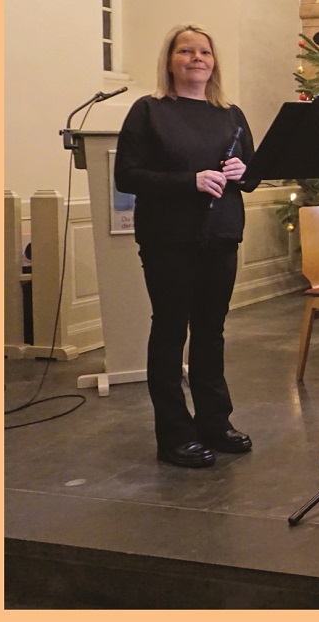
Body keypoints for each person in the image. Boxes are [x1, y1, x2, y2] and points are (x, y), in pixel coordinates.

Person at [115, 24, 258, 468]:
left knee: (211, 331)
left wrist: (240, 172)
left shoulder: (230, 114)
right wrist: (189, 182)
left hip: (221, 235)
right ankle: (175, 434)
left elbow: (253, 177)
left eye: (204, 52)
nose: (197, 58)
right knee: (171, 330)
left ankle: (214, 422)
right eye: (186, 51)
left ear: (213, 62)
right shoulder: (149, 110)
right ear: (170, 60)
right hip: (168, 238)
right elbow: (128, 176)